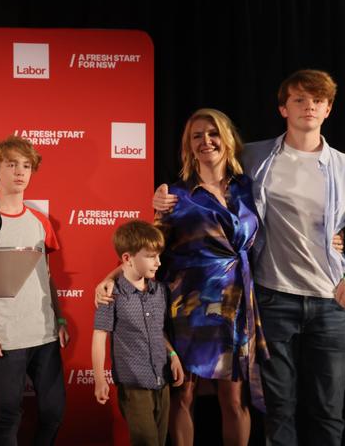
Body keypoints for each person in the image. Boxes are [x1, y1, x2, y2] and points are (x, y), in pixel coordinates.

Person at [153, 70, 345, 445]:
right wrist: (159, 204)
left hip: (329, 303)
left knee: (326, 410)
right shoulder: (254, 157)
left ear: (329, 109)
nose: (309, 107)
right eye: (300, 100)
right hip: (270, 299)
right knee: (277, 409)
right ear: (283, 107)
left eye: (317, 101)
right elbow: (209, 176)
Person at [97, 109, 269, 446]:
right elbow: (148, 247)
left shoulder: (249, 188)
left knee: (234, 401)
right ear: (188, 147)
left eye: (213, 133)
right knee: (184, 396)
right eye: (197, 136)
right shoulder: (177, 195)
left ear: (227, 139)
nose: (206, 141)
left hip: (236, 304)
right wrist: (111, 275)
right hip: (187, 304)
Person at [0, 135, 69, 445]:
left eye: (26, 166)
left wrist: (61, 319)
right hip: (6, 337)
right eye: (11, 164)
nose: (20, 172)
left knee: (54, 411)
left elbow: (46, 275)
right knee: (8, 415)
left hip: (45, 335)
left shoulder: (41, 221)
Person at [92, 220, 184, 446]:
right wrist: (98, 378)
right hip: (134, 384)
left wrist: (172, 355)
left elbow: (158, 331)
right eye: (151, 256)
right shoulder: (111, 294)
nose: (158, 262)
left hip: (161, 380)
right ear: (127, 258)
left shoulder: (159, 291)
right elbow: (99, 337)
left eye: (158, 256)